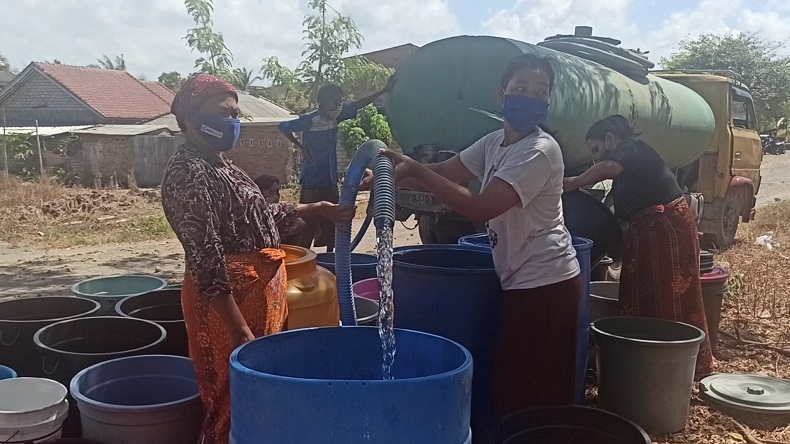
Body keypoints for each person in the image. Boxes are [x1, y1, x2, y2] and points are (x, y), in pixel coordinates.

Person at [380, 54, 582, 420]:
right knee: (516, 382)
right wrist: (389, 174)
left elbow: (482, 207)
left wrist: (416, 173)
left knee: (530, 389)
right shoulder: (493, 143)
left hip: (547, 282)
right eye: (521, 87)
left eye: (541, 91)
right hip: (520, 278)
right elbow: (446, 171)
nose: (530, 96)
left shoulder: (540, 150)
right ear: (501, 94)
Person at [161, 75, 354, 444]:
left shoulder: (221, 164)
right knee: (232, 399)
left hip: (257, 298)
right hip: (228, 307)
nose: (232, 121)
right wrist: (238, 330)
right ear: (188, 115)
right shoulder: (188, 171)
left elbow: (260, 214)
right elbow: (205, 256)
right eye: (222, 112)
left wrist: (317, 208)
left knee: (259, 394)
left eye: (235, 113)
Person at [563, 114, 714, 375]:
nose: (596, 158)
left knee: (669, 289)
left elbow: (609, 166)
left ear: (610, 139)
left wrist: (574, 182)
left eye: (596, 149)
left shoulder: (630, 147)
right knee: (646, 290)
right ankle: (648, 355)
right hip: (653, 229)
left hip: (664, 228)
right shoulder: (632, 163)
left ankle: (673, 362)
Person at [279, 80, 393, 252]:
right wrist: (302, 148)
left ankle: (332, 259)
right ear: (326, 102)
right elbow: (284, 127)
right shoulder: (310, 120)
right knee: (307, 225)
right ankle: (302, 259)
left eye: (341, 102)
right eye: (338, 101)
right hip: (312, 181)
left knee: (334, 223)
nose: (341, 105)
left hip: (330, 180)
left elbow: (359, 104)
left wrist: (383, 90)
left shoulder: (336, 116)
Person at [252, 174, 304, 245]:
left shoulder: (282, 213)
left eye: (277, 192)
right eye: (270, 192)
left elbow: (300, 224)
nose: (276, 196)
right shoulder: (252, 214)